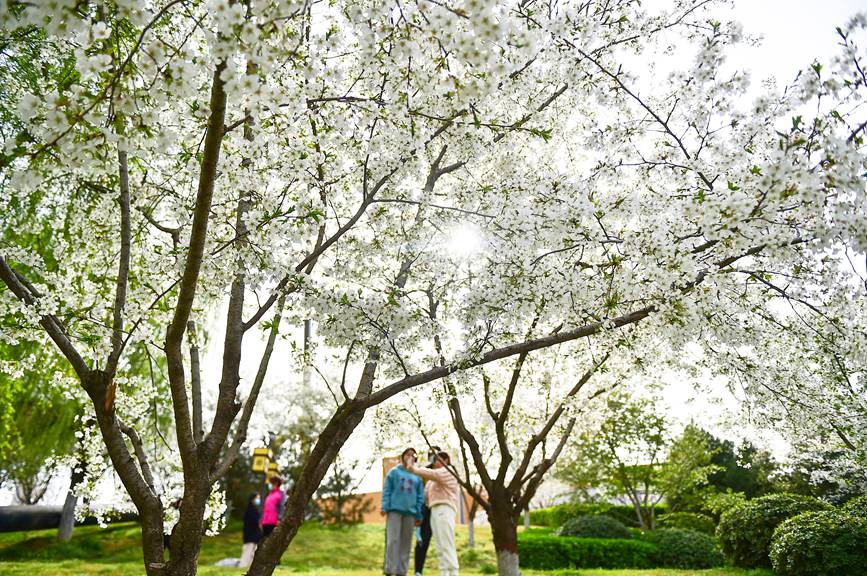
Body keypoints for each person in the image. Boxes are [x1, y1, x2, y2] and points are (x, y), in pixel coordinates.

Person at [407, 451, 460, 576]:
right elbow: (425, 496)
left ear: (446, 460)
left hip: (444, 509)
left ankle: (453, 573)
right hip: (434, 511)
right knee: (440, 546)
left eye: (437, 460)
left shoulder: (448, 471)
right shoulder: (432, 481)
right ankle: (444, 573)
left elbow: (432, 473)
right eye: (434, 461)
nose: (435, 463)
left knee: (447, 545)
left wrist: (413, 468)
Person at [382, 447, 425, 576]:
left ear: (415, 459)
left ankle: (402, 571)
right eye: (407, 454)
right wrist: (385, 507)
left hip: (410, 514)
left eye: (413, 455)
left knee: (406, 543)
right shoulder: (394, 473)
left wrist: (418, 514)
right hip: (394, 511)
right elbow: (387, 490)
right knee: (393, 540)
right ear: (403, 457)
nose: (410, 457)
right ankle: (390, 570)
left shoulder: (417, 476)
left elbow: (420, 497)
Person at [414, 447, 439, 576]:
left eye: (435, 454)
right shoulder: (424, 471)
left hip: (440, 509)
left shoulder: (445, 471)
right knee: (422, 540)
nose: (433, 457)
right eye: (431, 454)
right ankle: (418, 571)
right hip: (425, 509)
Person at [240, 492, 262, 567]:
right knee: (247, 552)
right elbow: (255, 522)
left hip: (255, 535)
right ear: (253, 499)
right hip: (250, 535)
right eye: (257, 498)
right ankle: (243, 565)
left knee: (253, 553)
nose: (258, 500)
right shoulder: (250, 510)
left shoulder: (254, 509)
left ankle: (249, 566)